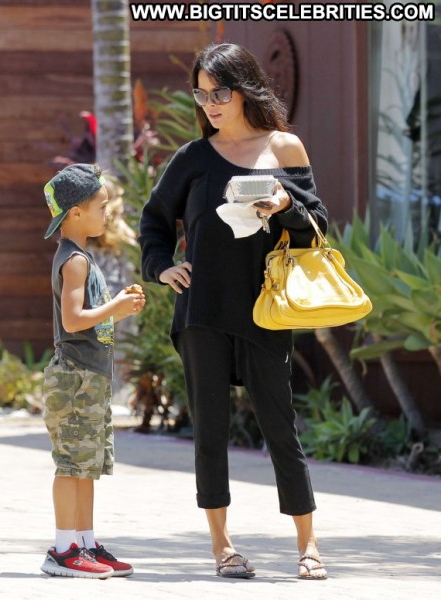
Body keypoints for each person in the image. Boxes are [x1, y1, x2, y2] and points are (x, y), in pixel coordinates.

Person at [138, 43, 328, 580]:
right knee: (210, 430)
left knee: (280, 428)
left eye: (219, 92)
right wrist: (162, 267)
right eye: (201, 95)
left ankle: (309, 545)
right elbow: (154, 222)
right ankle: (222, 546)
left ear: (244, 89)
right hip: (202, 309)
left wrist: (286, 204)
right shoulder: (192, 158)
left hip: (265, 308)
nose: (210, 104)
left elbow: (318, 225)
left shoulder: (284, 147)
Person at [40, 163, 146, 579]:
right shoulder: (74, 261)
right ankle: (63, 549)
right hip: (74, 378)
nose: (107, 213)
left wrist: (116, 308)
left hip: (88, 376)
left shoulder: (82, 257)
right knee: (71, 465)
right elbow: (73, 320)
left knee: (87, 466)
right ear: (76, 213)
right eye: (101, 206)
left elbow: (87, 318)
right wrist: (115, 306)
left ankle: (84, 542)